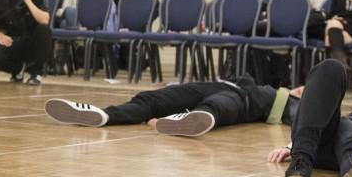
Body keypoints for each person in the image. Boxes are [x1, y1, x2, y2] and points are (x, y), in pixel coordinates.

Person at [44, 75, 304, 133]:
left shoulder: (286, 100)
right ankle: (105, 115)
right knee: (150, 99)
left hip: (243, 101)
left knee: (216, 106)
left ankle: (189, 119)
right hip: (213, 86)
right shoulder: (257, 82)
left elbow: (311, 119)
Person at [0, 0, 52, 85]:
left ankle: (35, 72)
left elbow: (44, 20)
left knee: (44, 30)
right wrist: (1, 37)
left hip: (33, 42)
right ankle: (18, 69)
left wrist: (27, 0)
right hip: (15, 41)